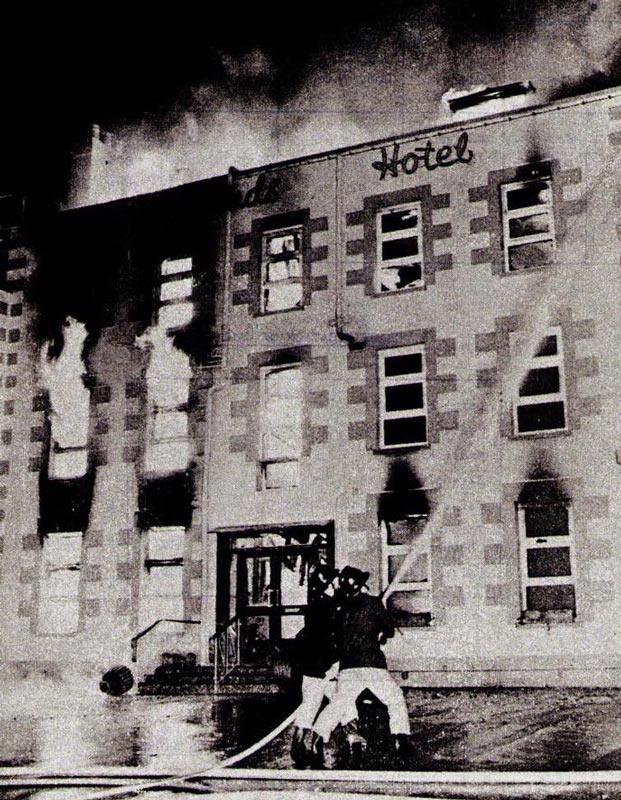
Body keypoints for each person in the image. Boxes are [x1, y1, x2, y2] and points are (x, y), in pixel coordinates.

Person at [309, 565, 411, 766]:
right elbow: (389, 630)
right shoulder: (373, 603)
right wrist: (379, 632)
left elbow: (337, 636)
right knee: (395, 699)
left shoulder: (340, 608)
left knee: (338, 704)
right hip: (373, 665)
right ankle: (400, 739)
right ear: (361, 584)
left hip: (348, 667)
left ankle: (318, 738)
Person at [290, 562, 340, 768]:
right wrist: (333, 662)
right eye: (333, 582)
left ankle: (301, 741)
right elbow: (328, 638)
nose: (336, 584)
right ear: (327, 584)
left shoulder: (314, 605)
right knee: (340, 703)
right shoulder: (328, 606)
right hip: (325, 667)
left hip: (311, 667)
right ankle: (318, 738)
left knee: (310, 706)